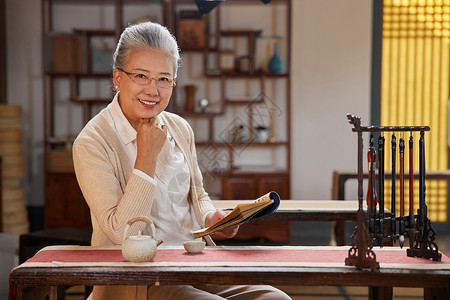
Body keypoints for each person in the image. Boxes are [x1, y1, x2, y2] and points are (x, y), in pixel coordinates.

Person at [73, 21, 291, 300]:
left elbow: (197, 194)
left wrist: (213, 217)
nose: (153, 90)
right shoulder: (92, 142)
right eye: (141, 76)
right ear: (118, 78)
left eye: (164, 79)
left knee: (276, 299)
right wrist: (146, 157)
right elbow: (120, 232)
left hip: (193, 264)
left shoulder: (179, 127)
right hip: (138, 279)